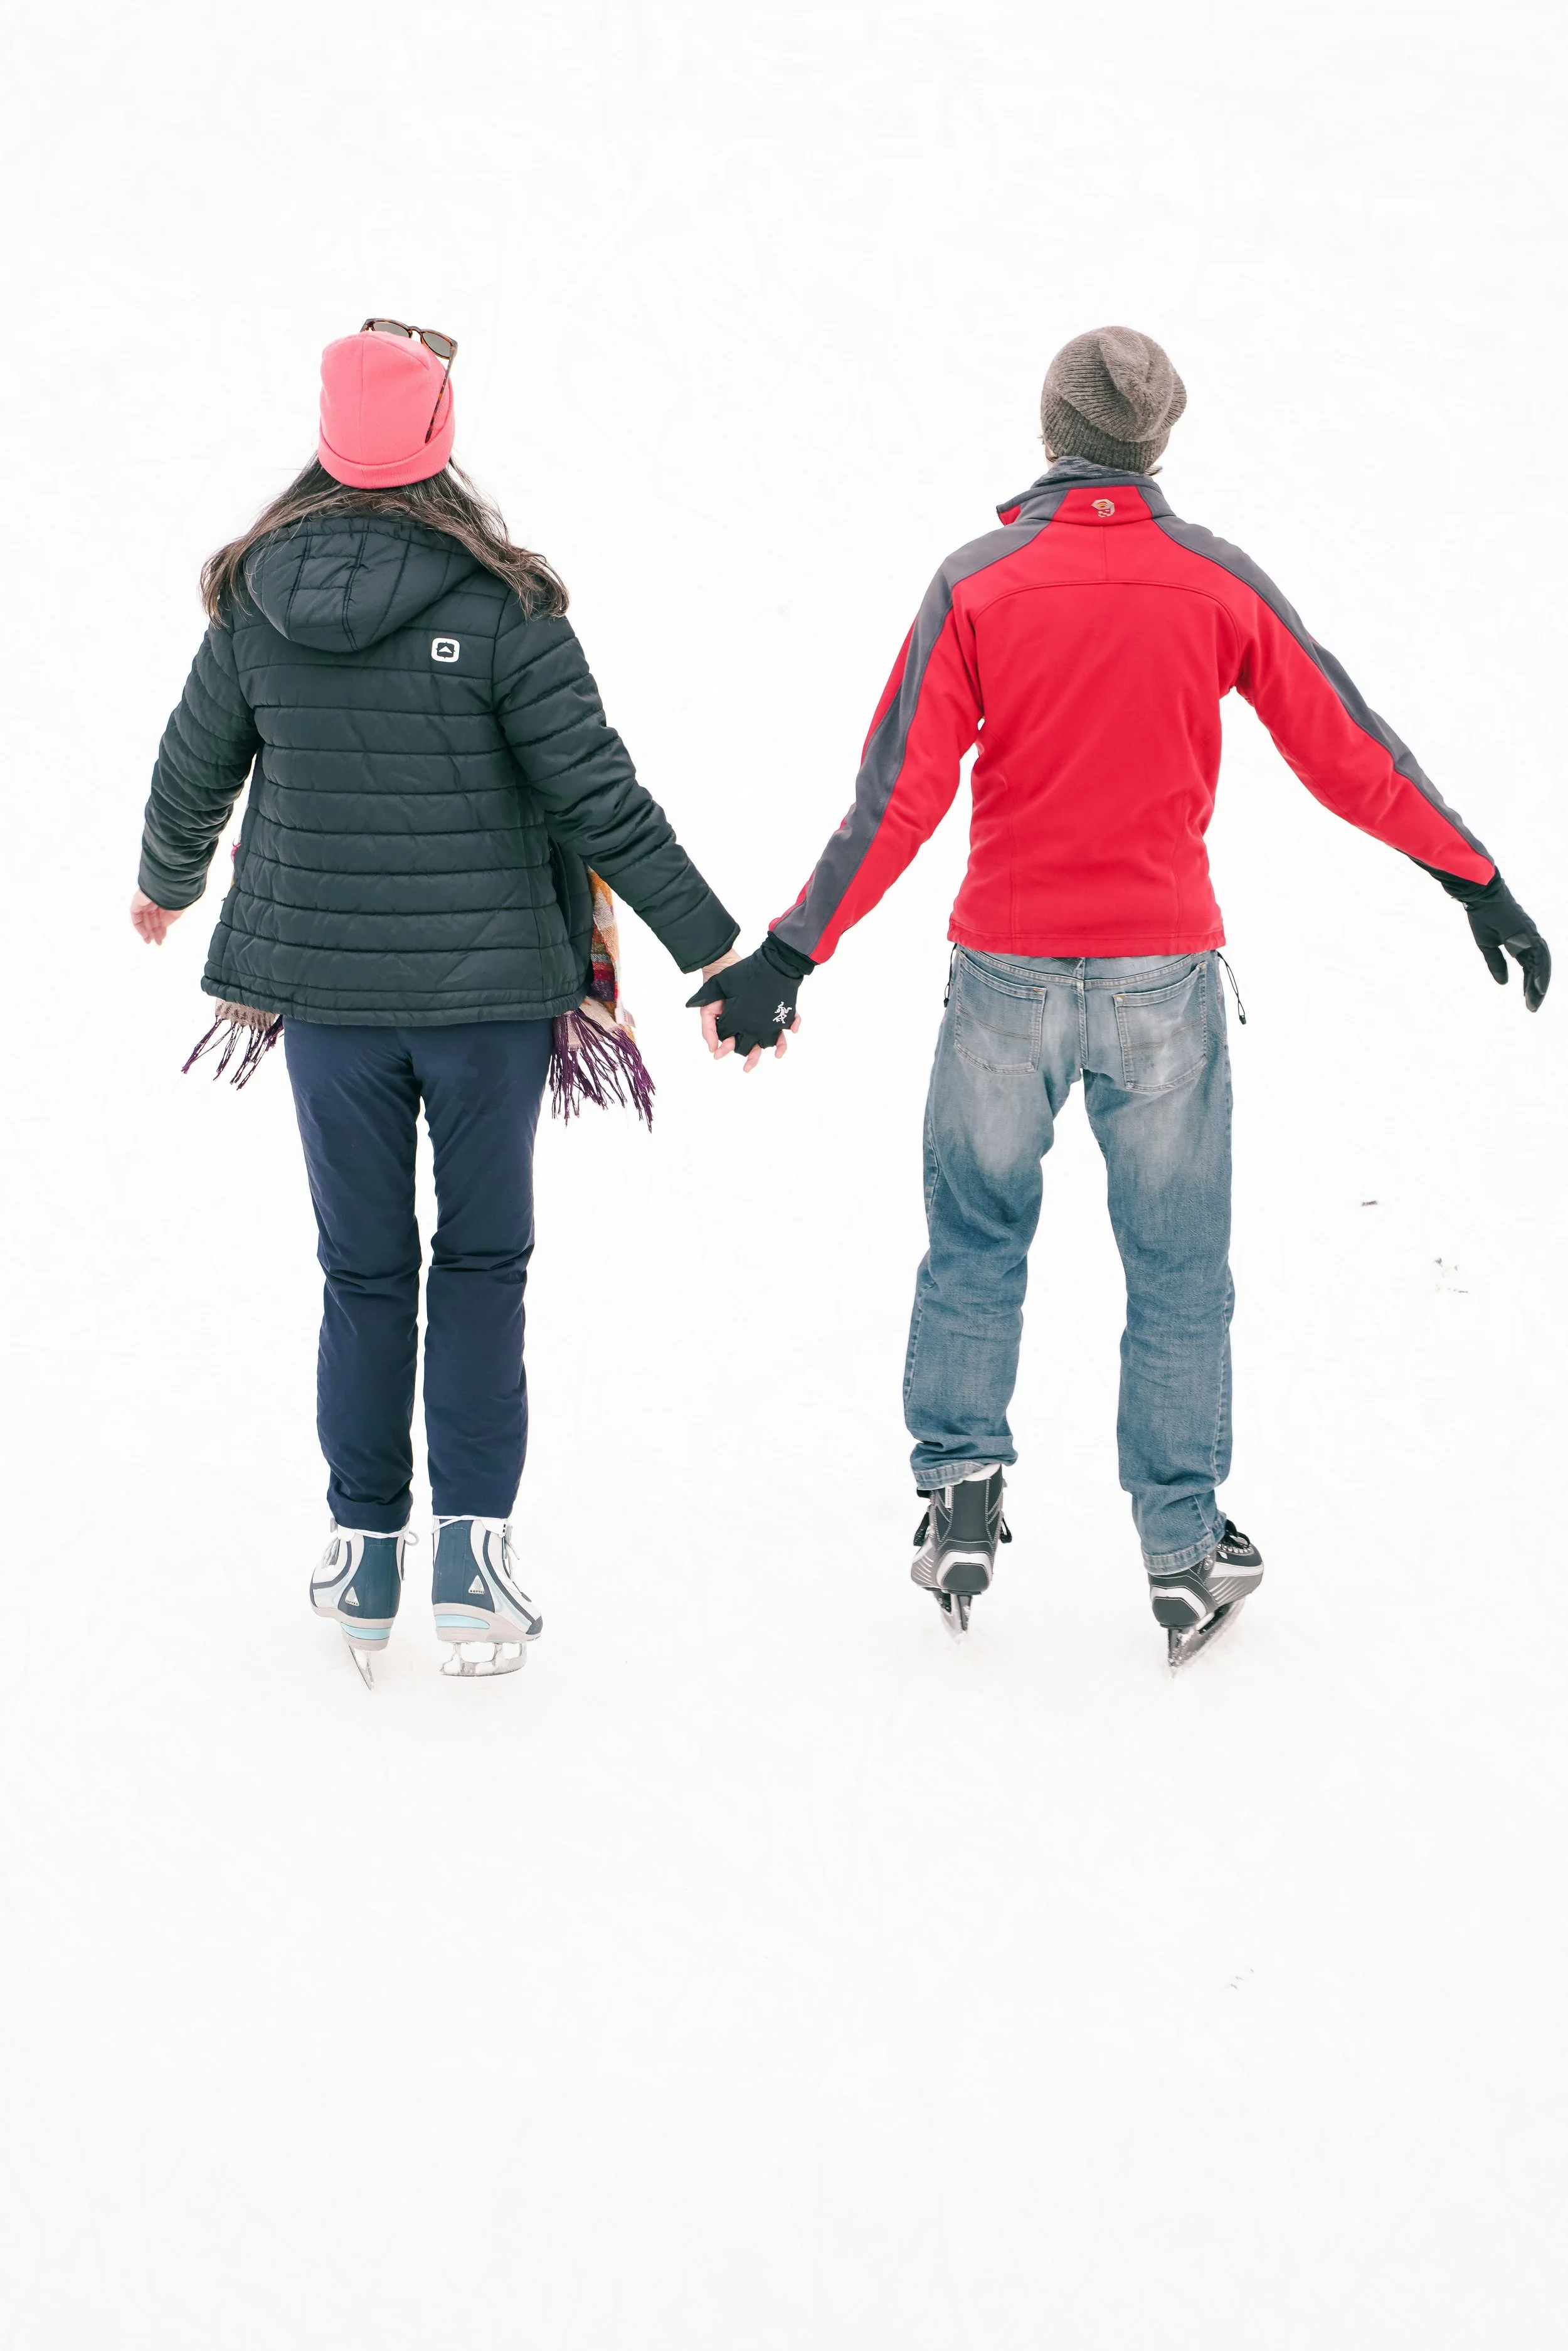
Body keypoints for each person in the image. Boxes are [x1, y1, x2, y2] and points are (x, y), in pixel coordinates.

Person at [691, 325, 1550, 1665]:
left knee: (974, 1240)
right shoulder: (1213, 580)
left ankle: (959, 1493)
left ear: (1050, 433)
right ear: (1159, 442)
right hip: (1161, 985)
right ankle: (1182, 1549)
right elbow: (1345, 746)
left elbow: (898, 795)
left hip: (1003, 977)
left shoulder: (978, 582)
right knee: (1177, 1267)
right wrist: (1472, 874)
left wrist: (791, 953)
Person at [134, 320, 739, 1685]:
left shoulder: (253, 603)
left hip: (328, 1004)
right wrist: (713, 950)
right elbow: (601, 799)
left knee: (361, 1270)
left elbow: (191, 776)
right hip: (490, 1006)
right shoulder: (505, 607)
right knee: (481, 1261)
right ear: (439, 440)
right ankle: (470, 1560)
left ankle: (363, 1555)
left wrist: (164, 885)